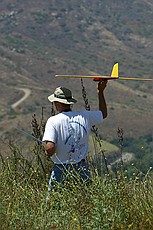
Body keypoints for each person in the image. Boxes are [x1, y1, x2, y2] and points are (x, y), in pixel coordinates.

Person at [42, 80, 108, 191]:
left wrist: (47, 152)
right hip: (82, 167)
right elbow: (103, 114)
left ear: (57, 103)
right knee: (85, 200)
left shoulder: (53, 121)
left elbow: (50, 148)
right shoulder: (84, 116)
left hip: (61, 168)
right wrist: (100, 92)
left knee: (54, 203)